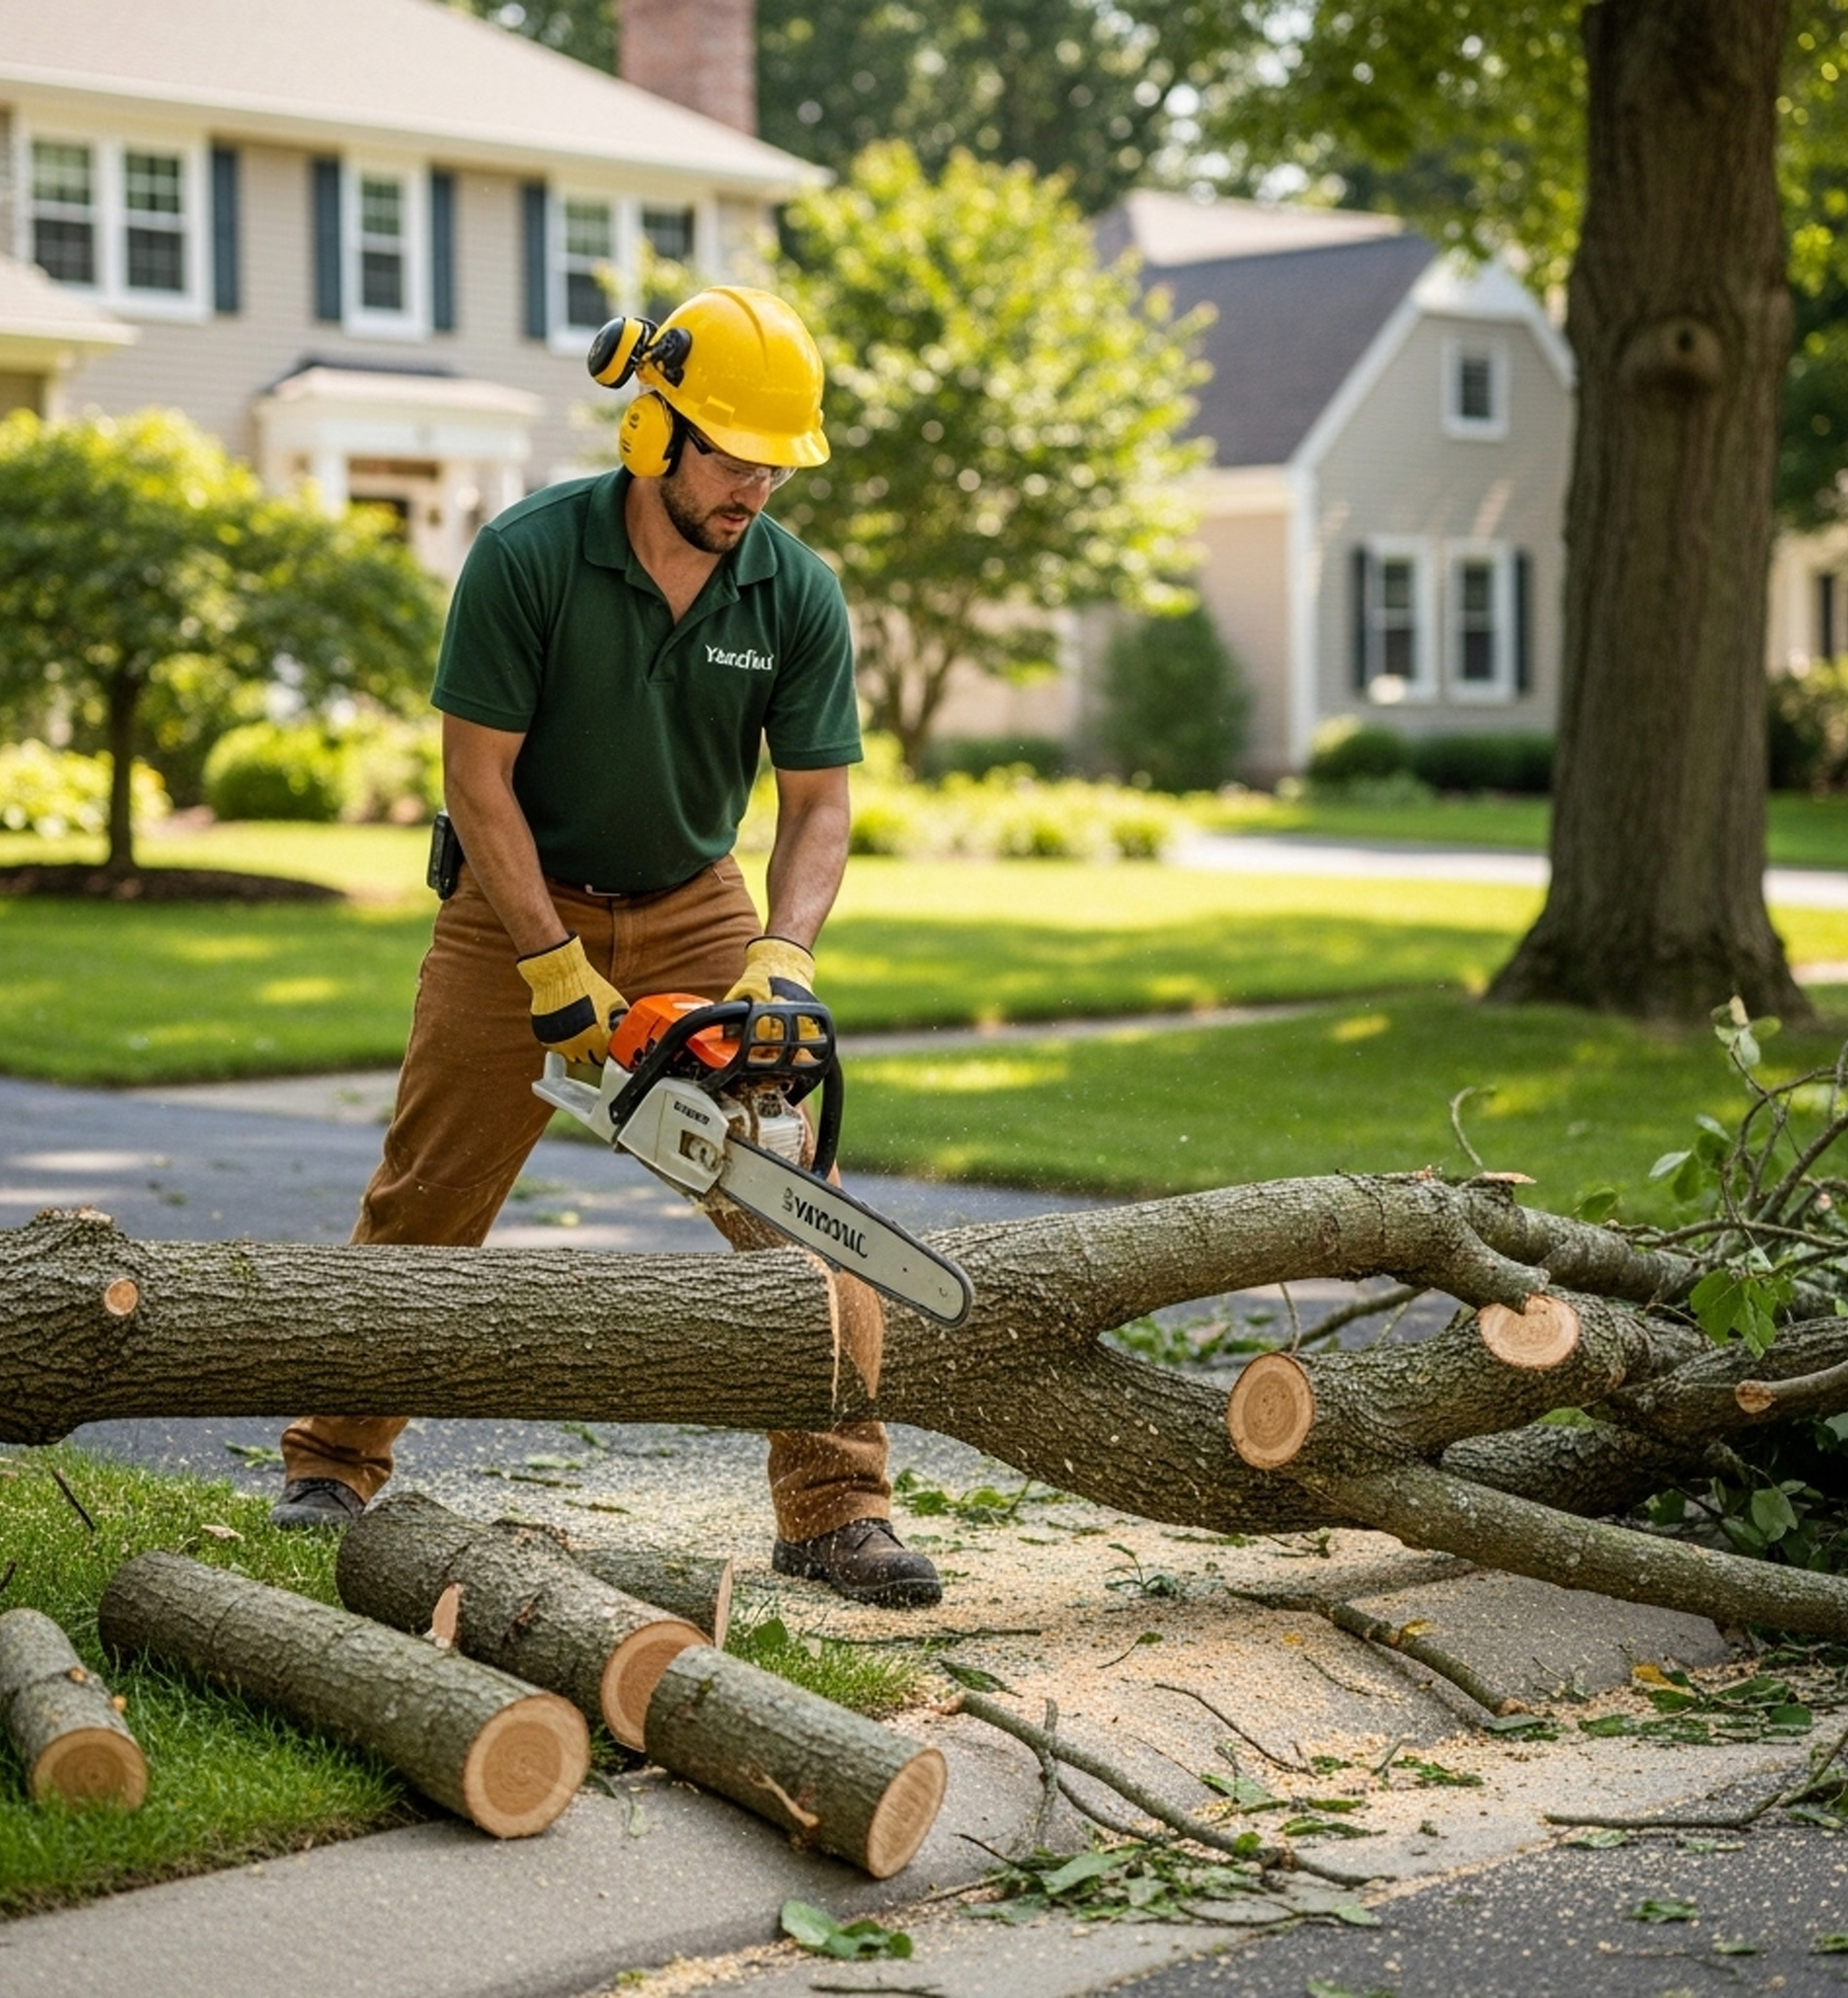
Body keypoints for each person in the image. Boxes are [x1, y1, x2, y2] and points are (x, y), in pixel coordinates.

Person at [267, 286, 941, 1609]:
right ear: (656, 431)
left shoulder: (793, 588)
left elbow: (820, 803)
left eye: (773, 464)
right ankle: (334, 1461)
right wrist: (549, 968)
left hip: (697, 904)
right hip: (514, 907)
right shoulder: (529, 555)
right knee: (429, 1198)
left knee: (796, 1201)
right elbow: (478, 782)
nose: (753, 487)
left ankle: (837, 1505)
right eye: (732, 456)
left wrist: (785, 954)